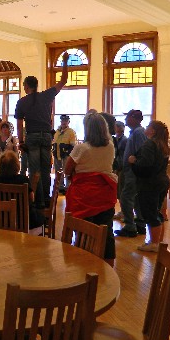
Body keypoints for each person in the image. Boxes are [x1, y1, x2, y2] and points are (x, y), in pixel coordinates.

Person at [15, 51, 69, 208]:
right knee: (46, 170)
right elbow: (63, 80)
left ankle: (36, 201)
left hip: (31, 137)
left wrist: (21, 141)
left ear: (26, 86)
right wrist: (65, 61)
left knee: (34, 170)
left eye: (24, 85)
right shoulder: (46, 96)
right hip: (46, 136)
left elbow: (19, 125)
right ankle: (46, 200)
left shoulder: (22, 102)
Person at [64, 112, 118, 266]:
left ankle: (84, 264)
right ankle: (108, 266)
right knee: (107, 231)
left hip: (84, 195)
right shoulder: (110, 146)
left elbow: (68, 169)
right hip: (105, 193)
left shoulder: (81, 148)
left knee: (83, 231)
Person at [128, 120, 170, 252]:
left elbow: (145, 165)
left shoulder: (149, 144)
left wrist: (133, 162)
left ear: (153, 131)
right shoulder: (163, 144)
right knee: (157, 212)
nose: (146, 128)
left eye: (148, 127)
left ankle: (154, 243)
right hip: (161, 181)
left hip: (150, 183)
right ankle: (158, 242)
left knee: (150, 213)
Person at [114, 109, 147, 238]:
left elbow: (140, 151)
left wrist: (133, 163)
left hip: (133, 172)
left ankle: (130, 226)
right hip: (131, 171)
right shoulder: (135, 132)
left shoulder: (138, 133)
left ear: (134, 119)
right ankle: (139, 223)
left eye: (128, 117)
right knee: (136, 198)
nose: (126, 119)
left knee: (126, 197)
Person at [0, 150, 45, 229]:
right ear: (16, 165)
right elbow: (31, 198)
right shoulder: (23, 180)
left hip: (2, 219)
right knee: (41, 218)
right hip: (23, 219)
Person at [52, 114, 76, 193]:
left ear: (68, 122)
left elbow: (73, 145)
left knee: (67, 171)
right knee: (58, 171)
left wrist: (67, 153)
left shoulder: (71, 132)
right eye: (62, 121)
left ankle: (68, 187)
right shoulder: (57, 131)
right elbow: (54, 142)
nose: (64, 122)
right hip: (57, 154)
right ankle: (60, 186)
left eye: (65, 121)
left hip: (66, 155)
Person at [113, 120, 128, 208]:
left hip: (121, 167)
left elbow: (122, 154)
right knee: (118, 190)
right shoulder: (116, 139)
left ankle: (124, 212)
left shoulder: (124, 140)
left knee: (121, 190)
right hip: (118, 166)